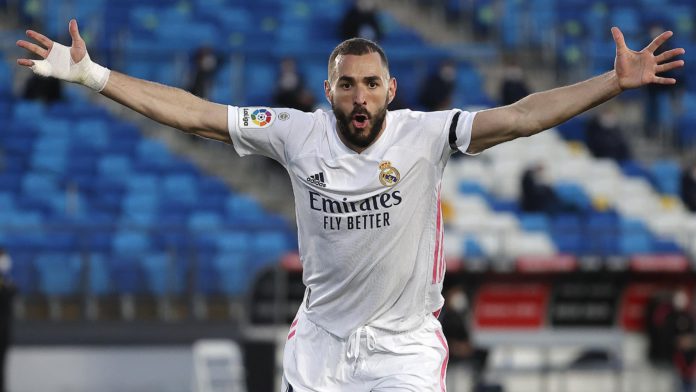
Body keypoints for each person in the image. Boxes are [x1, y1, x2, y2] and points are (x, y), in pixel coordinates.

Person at [16, 19, 684, 391]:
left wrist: (610, 83)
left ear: (390, 88)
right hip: (321, 346)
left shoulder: (425, 133)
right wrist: (92, 76)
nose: (359, 96)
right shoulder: (294, 132)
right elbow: (195, 114)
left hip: (404, 349)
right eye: (346, 85)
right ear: (328, 90)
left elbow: (520, 116)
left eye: (370, 84)